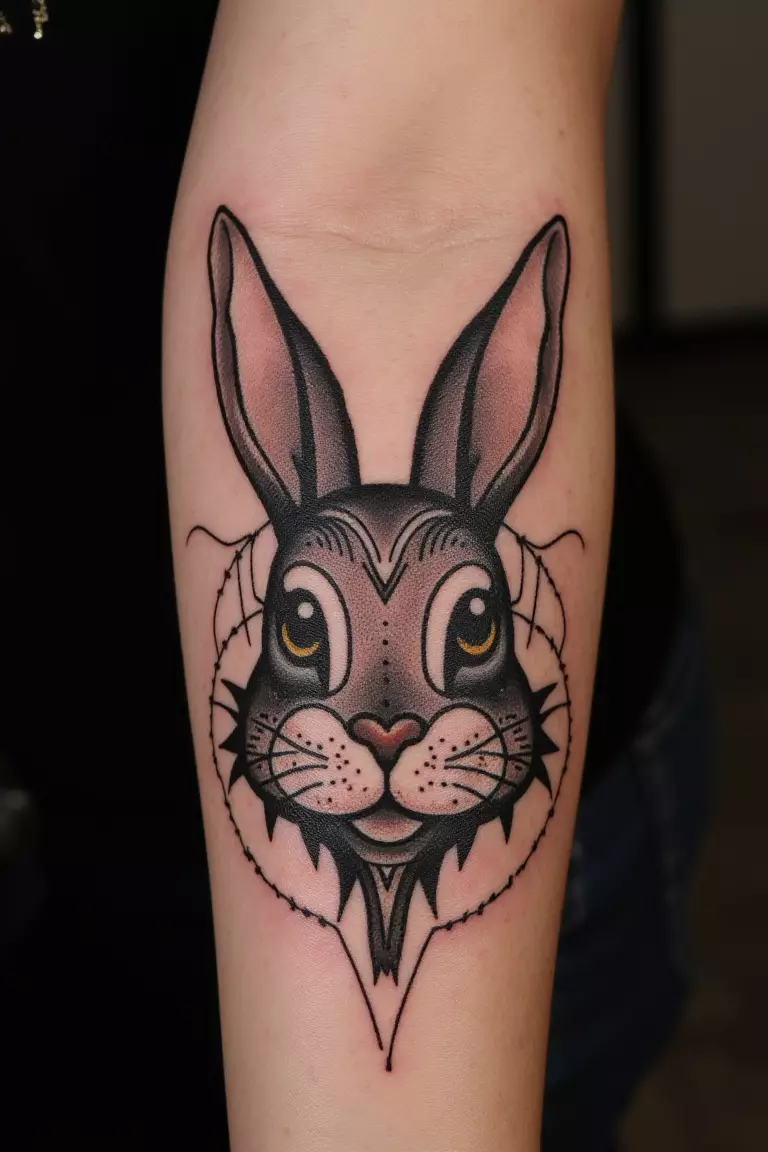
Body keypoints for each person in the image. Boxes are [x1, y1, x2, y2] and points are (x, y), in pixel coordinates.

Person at [1, 2, 712, 1147]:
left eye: (468, 628)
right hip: (73, 790)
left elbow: (399, 207)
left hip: (438, 890)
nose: (386, 728)